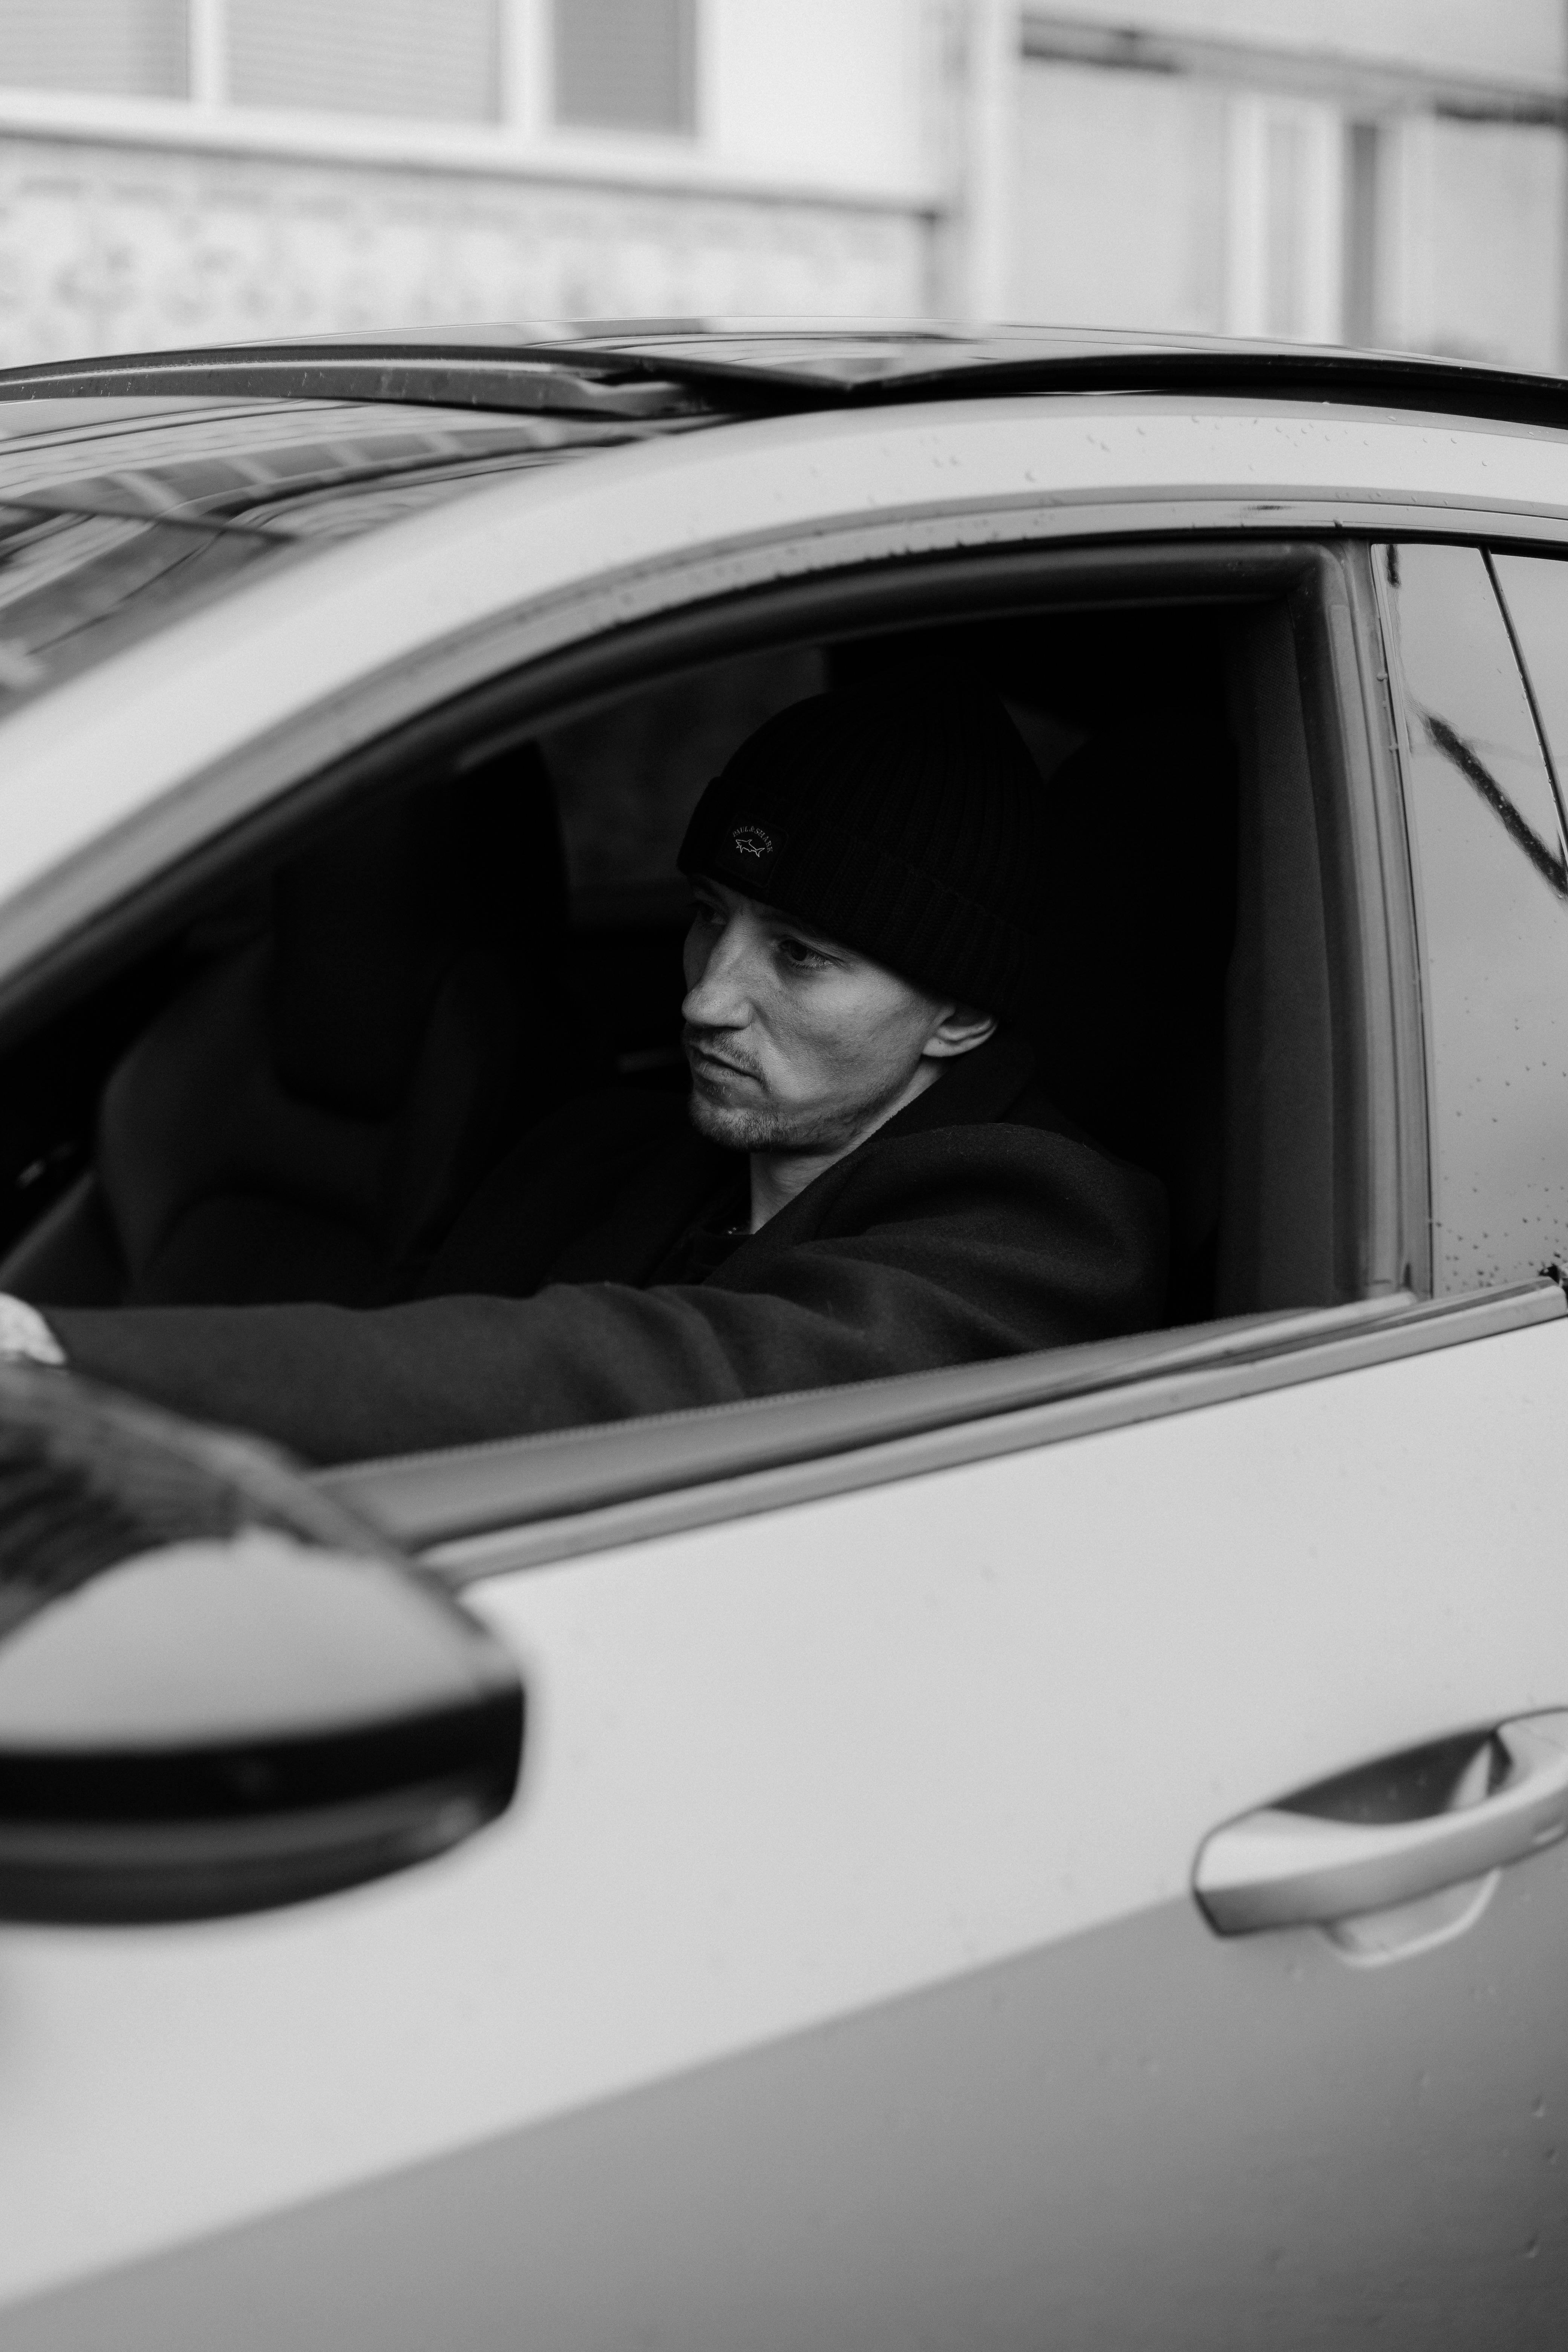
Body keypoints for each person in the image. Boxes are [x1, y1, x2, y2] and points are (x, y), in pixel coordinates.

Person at [0, 674, 1168, 1465]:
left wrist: (60, 1363)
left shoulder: (1044, 1234)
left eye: (802, 960)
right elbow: (402, 1364)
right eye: (711, 917)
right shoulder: (597, 1151)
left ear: (959, 1017)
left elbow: (639, 1379)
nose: (708, 997)